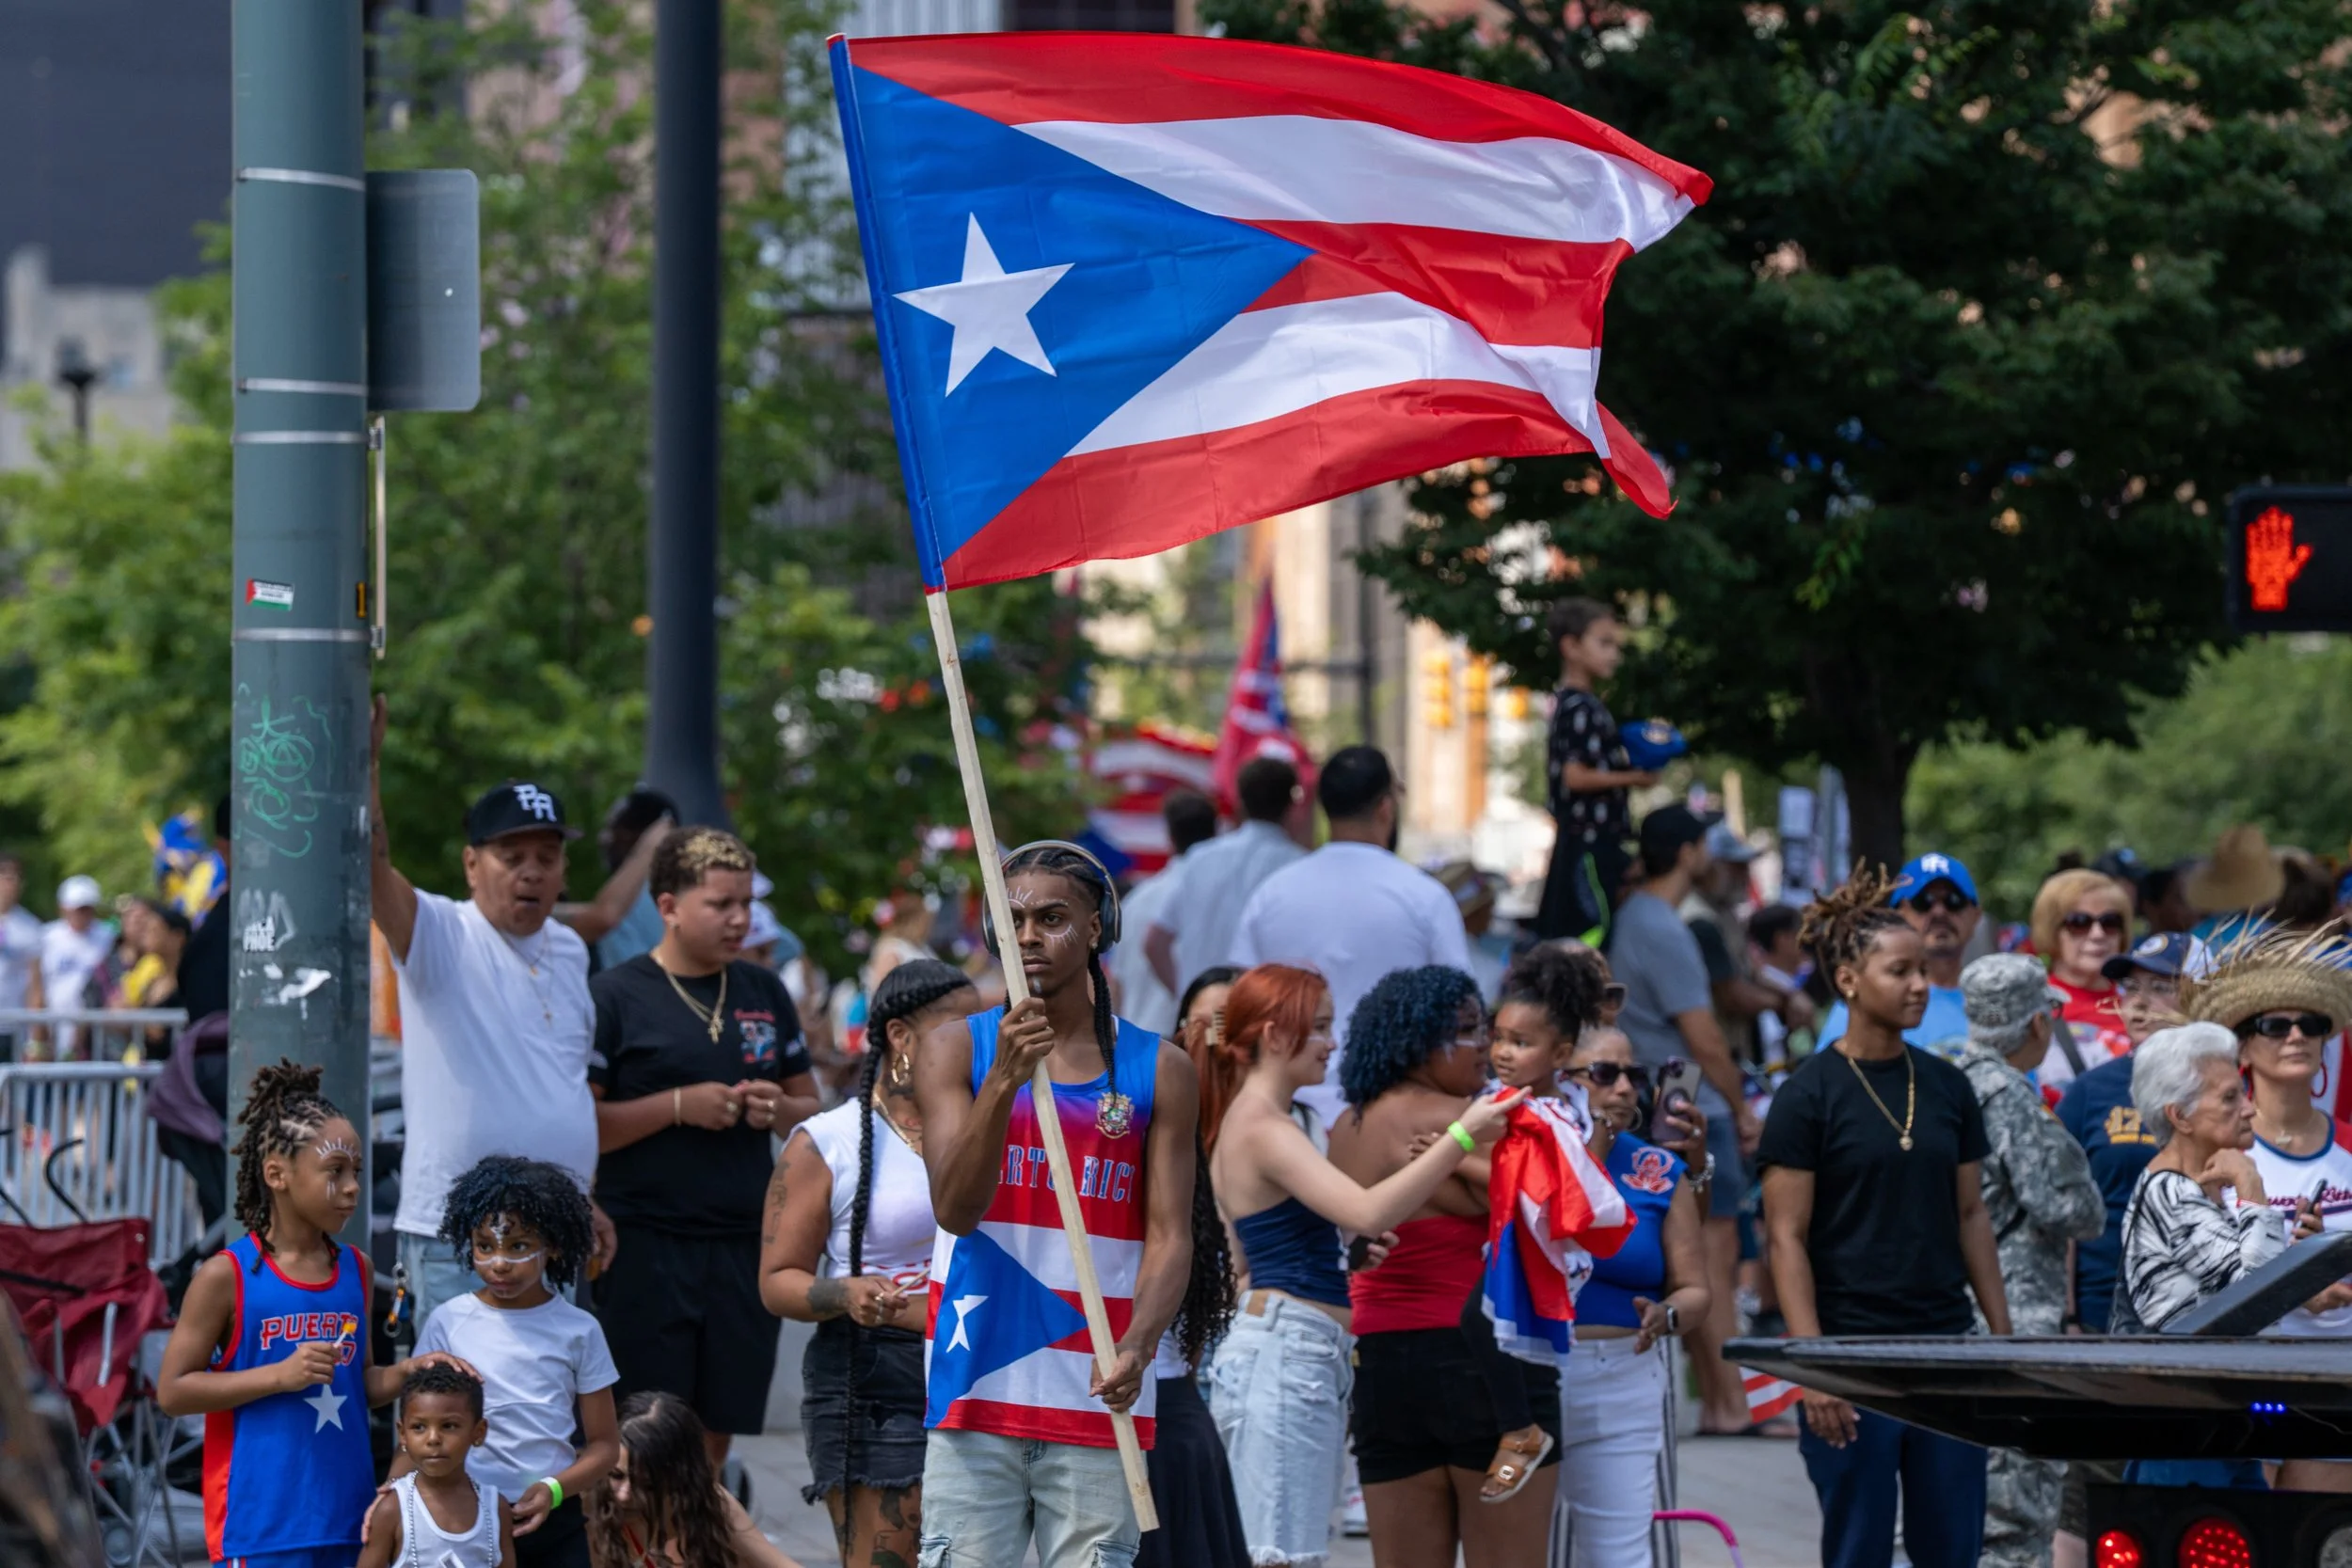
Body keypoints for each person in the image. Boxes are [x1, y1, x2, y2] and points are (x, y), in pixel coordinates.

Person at [912, 842, 1200, 1568]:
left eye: (1052, 917)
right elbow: (954, 1208)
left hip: (1100, 1395)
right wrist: (1004, 1081)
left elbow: (1170, 1236)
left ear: (1097, 927)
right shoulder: (955, 1049)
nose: (1030, 935)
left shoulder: (1161, 1067)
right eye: (1012, 920)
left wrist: (1139, 1344)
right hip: (976, 1391)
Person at [1200, 964, 1521, 1564]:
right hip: (1285, 1350)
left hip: (1293, 1346)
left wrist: (1336, 1252)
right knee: (1281, 1554)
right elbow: (1371, 1211)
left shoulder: (1271, 1122)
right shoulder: (1264, 1126)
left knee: (1284, 1549)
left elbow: (1249, 1253)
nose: (1333, 1041)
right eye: (1319, 1027)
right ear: (1274, 1036)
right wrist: (1462, 1134)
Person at [1758, 869, 2011, 1568]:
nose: (1919, 984)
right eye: (1899, 970)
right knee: (1859, 1547)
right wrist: (1812, 1368)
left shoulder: (1946, 1085)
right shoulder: (1807, 1095)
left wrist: (2003, 1344)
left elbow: (1970, 1214)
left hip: (1946, 1353)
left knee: (1951, 1548)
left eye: (1924, 970)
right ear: (1847, 979)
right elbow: (1786, 1237)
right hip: (1849, 1355)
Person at [158, 1062, 470, 1568]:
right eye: (335, 1172)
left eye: (356, 1174)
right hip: (256, 1528)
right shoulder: (227, 1275)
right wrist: (278, 1376)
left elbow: (358, 1383)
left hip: (348, 1521)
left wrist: (409, 1372)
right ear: (277, 1174)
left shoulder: (356, 1270)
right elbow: (173, 1392)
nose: (352, 1188)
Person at [372, 698, 616, 1324]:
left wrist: (581, 1198)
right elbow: (371, 868)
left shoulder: (567, 948)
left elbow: (559, 1090)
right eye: (513, 856)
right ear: (472, 864)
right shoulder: (443, 934)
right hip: (460, 1240)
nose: (532, 872)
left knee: (536, 1415)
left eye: (548, 855)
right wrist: (365, 764)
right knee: (454, 1416)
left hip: (555, 1235)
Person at [589, 827, 818, 1465]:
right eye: (722, 904)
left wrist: (779, 1110)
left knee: (719, 1426)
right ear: (669, 907)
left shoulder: (763, 991)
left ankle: (699, 1538)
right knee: (647, 1427)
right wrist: (677, 1106)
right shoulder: (616, 994)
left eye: (745, 902)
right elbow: (581, 1121)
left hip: (744, 1241)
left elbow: (812, 1108)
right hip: (644, 1241)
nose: (740, 918)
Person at [1329, 966, 1555, 1568]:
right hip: (1483, 1362)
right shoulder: (1473, 1120)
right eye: (1465, 1031)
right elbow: (1552, 1210)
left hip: (1379, 1365)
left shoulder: (1345, 1127)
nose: (1485, 1045)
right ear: (1416, 1040)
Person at [762, 958, 975, 1567]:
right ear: (902, 1038)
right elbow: (778, 1281)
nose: (976, 1043)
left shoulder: (986, 1133)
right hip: (876, 1378)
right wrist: (844, 1292)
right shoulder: (827, 1139)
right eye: (959, 1028)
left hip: (979, 1365)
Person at [2181, 931, 2352, 1493]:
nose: (2297, 1035)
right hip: (2242, 1391)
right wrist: (2288, 1282)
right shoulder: (2212, 1160)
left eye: (2312, 1024)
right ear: (2243, 1047)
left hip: (2339, 1393)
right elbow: (2187, 1284)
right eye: (2276, 1026)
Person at [1605, 804, 1755, 1435]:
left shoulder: (1638, 916)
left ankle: (1720, 1401)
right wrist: (1744, 1109)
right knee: (1710, 1261)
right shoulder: (1663, 925)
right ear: (1689, 853)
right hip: (1687, 1096)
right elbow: (1705, 1037)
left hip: (1666, 1095)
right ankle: (1729, 1404)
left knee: (1691, 1258)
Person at [2112, 1023, 2312, 1486]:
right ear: (2179, 1116)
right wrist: (2252, 1188)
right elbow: (2259, 1301)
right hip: (2183, 1439)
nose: (2249, 1108)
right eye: (2228, 1098)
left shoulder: (2195, 1191)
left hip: (2217, 1430)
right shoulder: (2170, 1192)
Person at [2049, 933, 2195, 1567]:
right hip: (2106, 1329)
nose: (2137, 1003)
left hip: (2205, 1328)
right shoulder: (2090, 1092)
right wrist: (2069, 1318)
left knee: (2200, 1493)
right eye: (2128, 987)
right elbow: (2062, 1218)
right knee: (2091, 1490)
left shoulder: (2228, 1088)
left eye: (2158, 987)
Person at [1955, 956, 2105, 1568]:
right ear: (2038, 1023)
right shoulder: (2007, 1096)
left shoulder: (1942, 1075)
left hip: (1957, 1319)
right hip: (2015, 1322)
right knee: (2015, 1521)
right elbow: (2072, 1208)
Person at [1231, 746, 1471, 1123]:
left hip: (1287, 1112)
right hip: (1390, 1117)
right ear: (1385, 808)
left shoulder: (1273, 893)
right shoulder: (1424, 897)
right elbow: (1462, 1008)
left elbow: (1239, 997)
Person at [1555, 1017, 1711, 1568]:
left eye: (1633, 1075)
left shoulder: (1659, 1169)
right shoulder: (1525, 1155)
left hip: (1627, 1384)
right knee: (1514, 1534)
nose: (1624, 1088)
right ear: (1563, 1078)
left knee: (1623, 1555)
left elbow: (1696, 1290)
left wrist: (1666, 1316)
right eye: (1604, 1073)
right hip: (1533, 1384)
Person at [414, 1156, 622, 1568]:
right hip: (461, 1520)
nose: (499, 1263)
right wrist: (394, 1493)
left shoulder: (580, 1331)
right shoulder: (448, 1322)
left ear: (554, 1246)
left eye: (519, 1246)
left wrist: (554, 1490)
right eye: (484, 1246)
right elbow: (419, 1426)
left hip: (552, 1524)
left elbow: (605, 1447)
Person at [1138, 967, 1253, 1568]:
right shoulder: (1165, 1137)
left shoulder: (1262, 1128)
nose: (1215, 1045)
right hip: (1157, 1408)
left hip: (1174, 1410)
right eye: (1203, 1027)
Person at [1533, 596, 1652, 945]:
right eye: (1604, 643)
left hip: (1596, 842)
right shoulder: (1577, 706)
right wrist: (1634, 778)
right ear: (1570, 646)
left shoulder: (1584, 705)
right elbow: (1575, 777)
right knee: (1590, 933)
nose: (1613, 654)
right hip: (1587, 844)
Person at [1144, 756, 1306, 1000]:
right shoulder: (1299, 866)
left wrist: (1188, 997)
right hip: (1263, 1019)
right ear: (1292, 805)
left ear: (1239, 801)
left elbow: (1155, 943)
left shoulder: (1200, 858)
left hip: (1203, 1018)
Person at [586, 1390, 802, 1568]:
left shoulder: (709, 1505)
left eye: (648, 1484)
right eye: (616, 1475)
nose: (624, 1495)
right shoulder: (589, 1508)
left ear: (681, 1479)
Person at [1815, 852, 1982, 1058]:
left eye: (1953, 901)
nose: (1939, 912)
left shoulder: (1996, 1002)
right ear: (1897, 915)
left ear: (1976, 916)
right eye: (1923, 902)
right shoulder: (1864, 1004)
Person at [359, 1364, 516, 1568]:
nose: (433, 1439)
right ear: (403, 1434)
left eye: (449, 1426)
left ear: (478, 1432)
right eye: (419, 1427)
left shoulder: (495, 1509)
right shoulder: (393, 1509)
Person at [1113, 788, 1216, 1037]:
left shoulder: (1138, 899)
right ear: (1215, 833)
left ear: (1170, 836)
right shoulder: (1217, 896)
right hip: (1194, 1040)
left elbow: (1116, 984)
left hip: (1137, 1039)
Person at [2032, 867, 2137, 1091]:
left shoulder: (2144, 1004)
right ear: (2051, 930)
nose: (2097, 934)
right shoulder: (2030, 1005)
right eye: (2079, 922)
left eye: (2110, 922)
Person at [583, 789, 678, 972]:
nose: (603, 839)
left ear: (645, 838)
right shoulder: (687, 891)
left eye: (613, 829)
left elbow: (599, 919)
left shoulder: (629, 899)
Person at [36, 874, 114, 1060]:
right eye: (77, 908)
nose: (82, 914)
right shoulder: (47, 937)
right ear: (63, 908)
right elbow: (38, 985)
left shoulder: (107, 936)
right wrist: (40, 1036)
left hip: (94, 1030)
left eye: (87, 908)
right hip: (54, 1025)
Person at [0, 853, 45, 1061]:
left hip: (14, 1026)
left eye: (16, 877)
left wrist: (35, 1041)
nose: (11, 883)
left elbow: (35, 986)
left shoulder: (30, 926)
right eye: (5, 876)